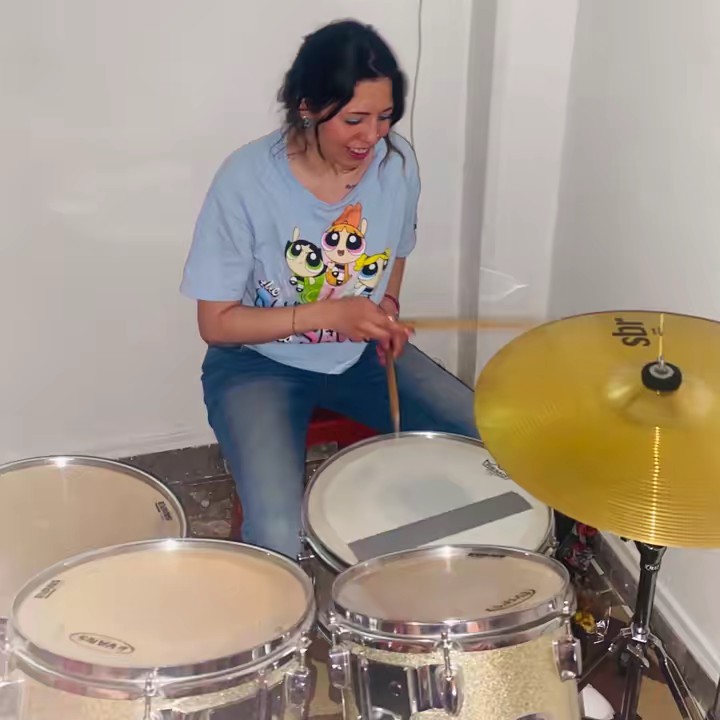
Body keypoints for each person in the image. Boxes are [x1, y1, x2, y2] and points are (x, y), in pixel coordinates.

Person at [180, 19, 479, 559]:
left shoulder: (396, 164)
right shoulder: (246, 181)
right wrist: (328, 316)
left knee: (488, 438)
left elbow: (397, 250)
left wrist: (386, 308)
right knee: (277, 531)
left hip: (362, 356)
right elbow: (216, 324)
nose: (372, 136)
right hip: (256, 364)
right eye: (354, 119)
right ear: (307, 108)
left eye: (385, 116)